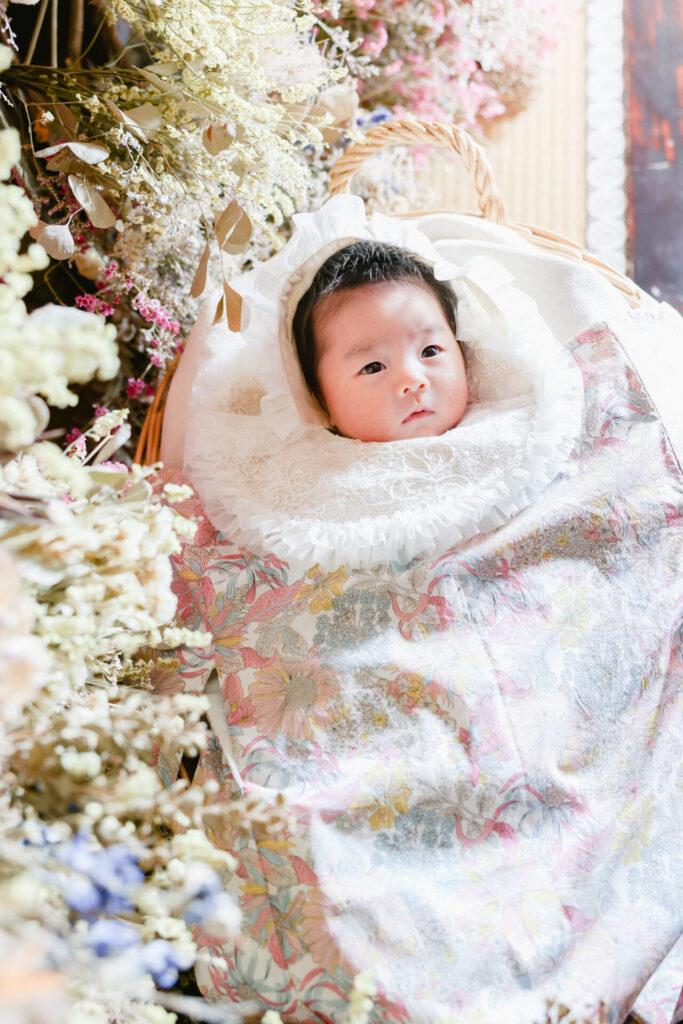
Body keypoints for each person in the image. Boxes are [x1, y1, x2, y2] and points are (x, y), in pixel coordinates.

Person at [155, 195, 683, 1024]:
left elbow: (627, 505)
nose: (411, 376)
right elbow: (210, 588)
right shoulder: (282, 495)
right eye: (370, 367)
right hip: (375, 740)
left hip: (539, 722)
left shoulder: (532, 432)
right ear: (317, 398)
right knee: (331, 868)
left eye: (432, 349)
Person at [291, 240, 468, 443]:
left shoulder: (491, 426)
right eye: (373, 367)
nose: (413, 381)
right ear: (321, 400)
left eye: (430, 351)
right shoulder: (316, 459)